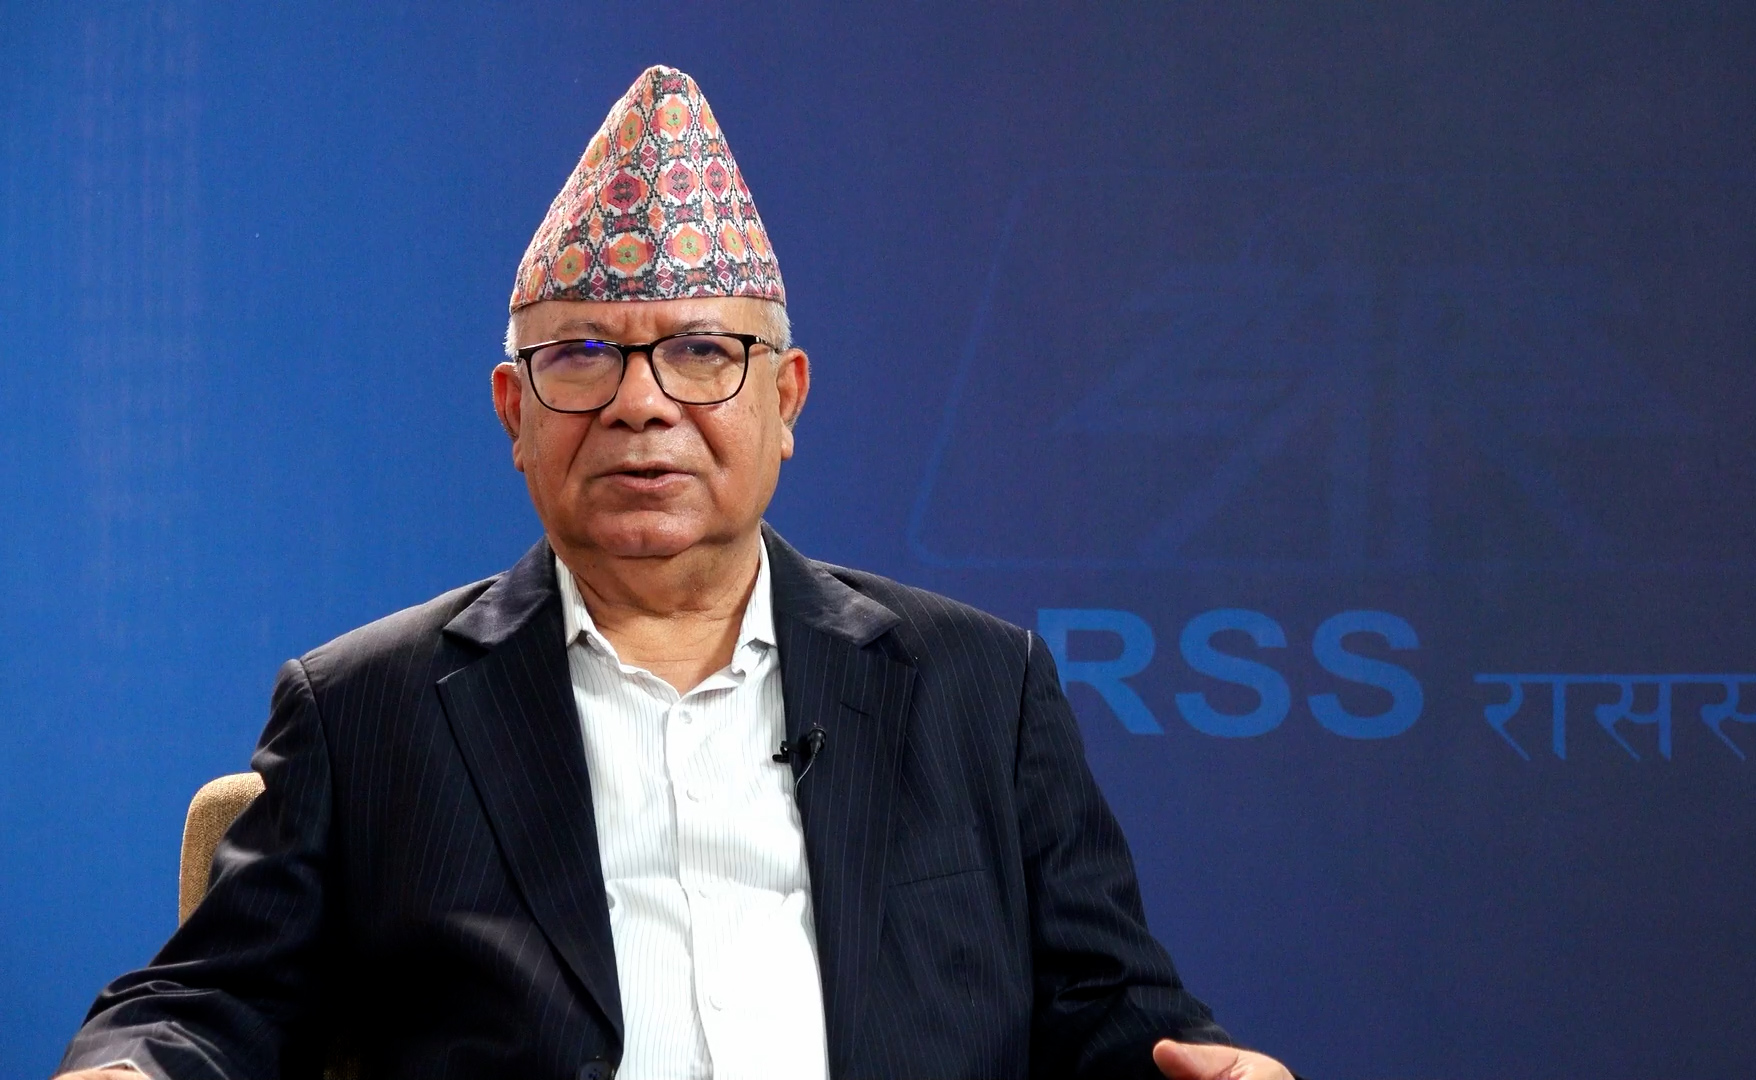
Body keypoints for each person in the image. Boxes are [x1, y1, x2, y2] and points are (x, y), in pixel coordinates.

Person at [55, 66, 1295, 1080]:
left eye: (702, 352)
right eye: (581, 358)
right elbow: (210, 1000)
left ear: (786, 398)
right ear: (514, 413)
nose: (642, 405)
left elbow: (1114, 1011)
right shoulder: (365, 709)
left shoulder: (979, 687)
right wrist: (131, 1070)